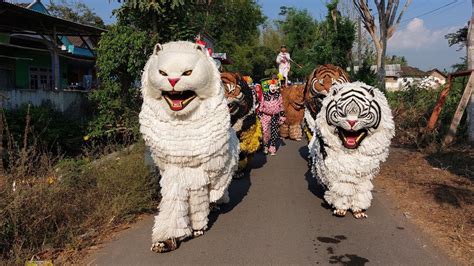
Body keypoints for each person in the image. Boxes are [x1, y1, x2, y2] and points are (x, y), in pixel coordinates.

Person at [259, 79, 285, 156]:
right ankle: (265, 146)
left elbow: (281, 105)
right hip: (266, 116)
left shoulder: (278, 95)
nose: (273, 88)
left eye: (274, 86)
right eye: (271, 86)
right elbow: (261, 104)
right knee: (265, 131)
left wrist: (282, 115)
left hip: (275, 116)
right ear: (269, 87)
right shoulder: (265, 94)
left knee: (274, 132)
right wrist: (259, 114)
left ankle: (272, 147)